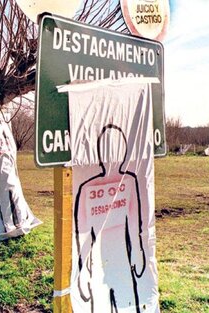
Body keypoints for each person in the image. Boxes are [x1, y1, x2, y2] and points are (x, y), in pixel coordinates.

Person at [74, 124, 146, 313]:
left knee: (128, 305)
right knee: (101, 306)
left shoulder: (129, 182)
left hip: (123, 260)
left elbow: (134, 223)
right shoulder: (86, 189)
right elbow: (82, 235)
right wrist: (82, 271)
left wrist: (137, 252)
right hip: (97, 264)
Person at [0, 114, 42, 241]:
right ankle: (8, 226)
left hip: (12, 178)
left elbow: (13, 159)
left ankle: (20, 223)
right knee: (5, 202)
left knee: (16, 199)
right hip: (0, 180)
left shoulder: (8, 143)